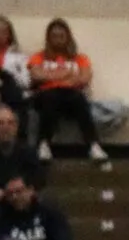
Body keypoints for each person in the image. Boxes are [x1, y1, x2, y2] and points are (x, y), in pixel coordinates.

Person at [27, 18, 105, 159]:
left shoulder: (80, 58)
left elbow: (84, 79)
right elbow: (36, 76)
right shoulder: (38, 57)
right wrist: (67, 74)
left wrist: (51, 76)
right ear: (48, 38)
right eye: (54, 36)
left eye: (61, 36)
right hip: (46, 97)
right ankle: (43, 144)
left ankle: (93, 145)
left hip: (70, 97)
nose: (58, 39)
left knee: (79, 98)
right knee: (50, 97)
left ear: (68, 38)